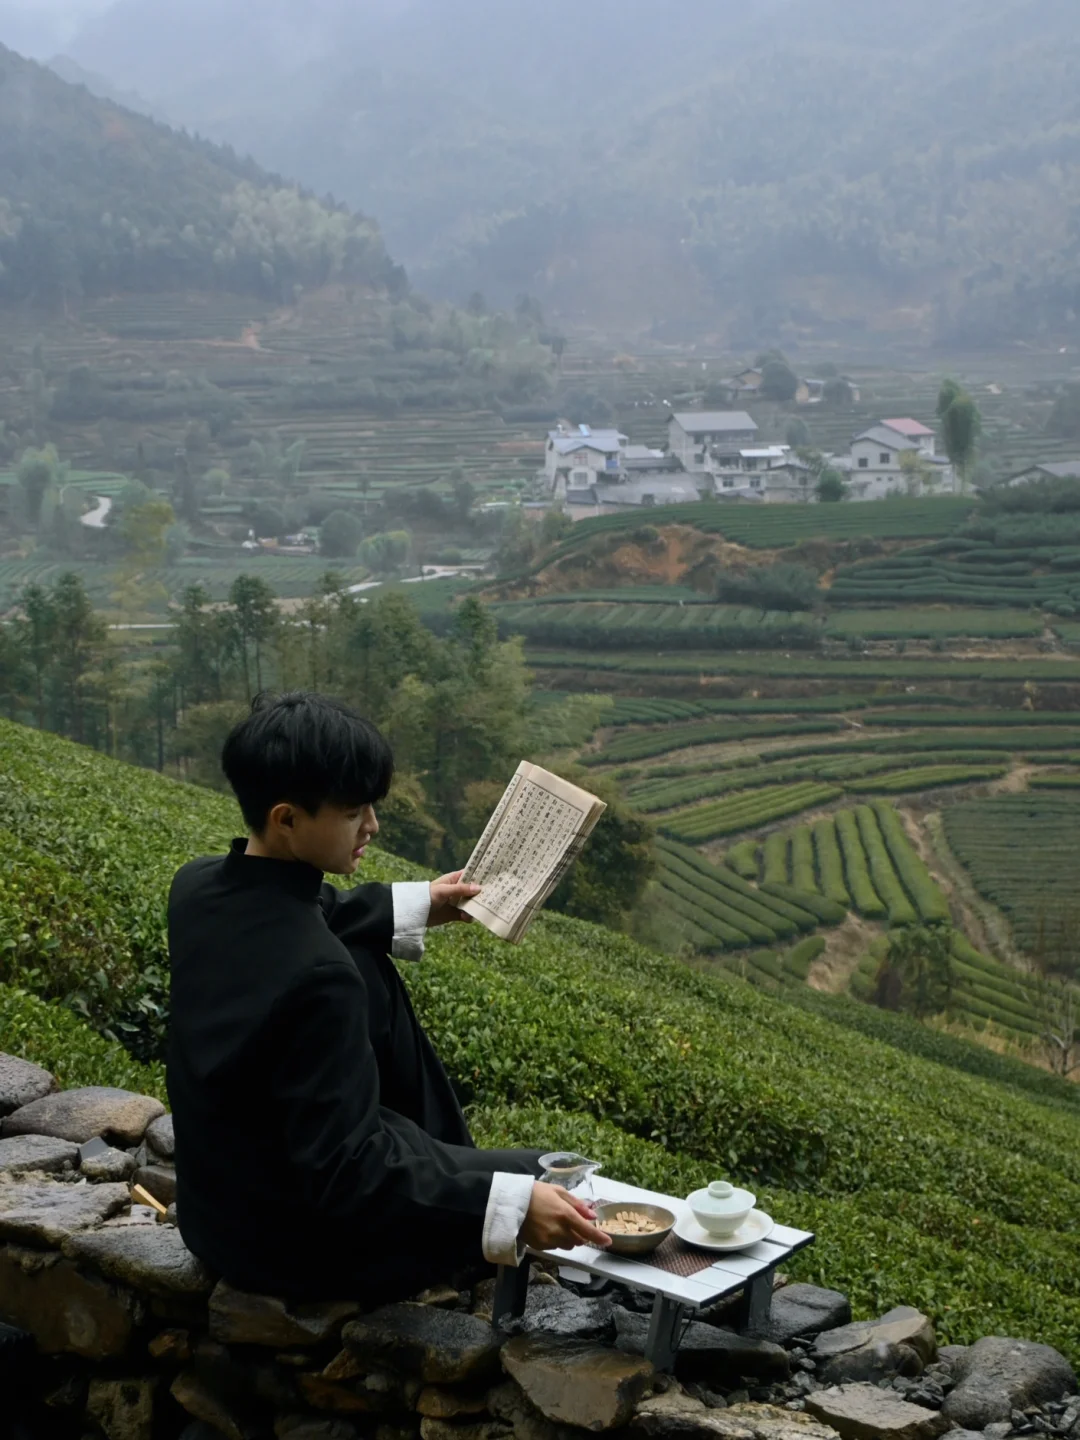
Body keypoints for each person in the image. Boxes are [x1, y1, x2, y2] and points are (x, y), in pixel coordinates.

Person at [166, 691, 609, 1304]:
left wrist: (428, 902)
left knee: (535, 1170)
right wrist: (503, 1206)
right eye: (353, 813)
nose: (371, 827)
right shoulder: (319, 977)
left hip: (221, 1209)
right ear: (287, 818)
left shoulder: (197, 886)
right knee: (544, 1178)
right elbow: (350, 1176)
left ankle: (449, 1158)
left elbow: (325, 909)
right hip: (288, 1249)